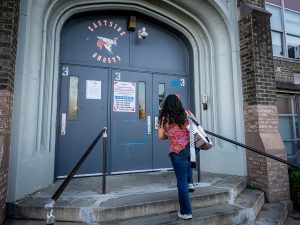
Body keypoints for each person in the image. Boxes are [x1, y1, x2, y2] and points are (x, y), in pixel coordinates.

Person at [158, 94, 197, 220]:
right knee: (187, 166)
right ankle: (190, 182)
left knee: (181, 180)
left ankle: (186, 212)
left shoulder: (163, 118)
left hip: (177, 149)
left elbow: (160, 136)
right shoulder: (186, 112)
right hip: (190, 147)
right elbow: (197, 125)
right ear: (178, 103)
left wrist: (171, 136)